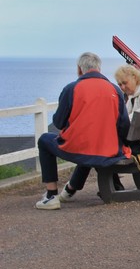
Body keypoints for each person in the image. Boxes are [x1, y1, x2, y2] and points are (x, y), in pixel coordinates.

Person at [34, 52, 131, 210]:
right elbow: (124, 125)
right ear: (99, 69)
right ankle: (70, 190)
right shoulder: (115, 90)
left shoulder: (71, 89)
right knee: (92, 145)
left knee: (44, 140)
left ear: (80, 69)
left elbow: (58, 122)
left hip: (81, 147)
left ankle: (51, 196)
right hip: (107, 149)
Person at [59, 64, 140, 201]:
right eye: (120, 84)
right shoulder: (134, 95)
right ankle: (112, 186)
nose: (122, 87)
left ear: (134, 77)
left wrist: (119, 120)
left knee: (96, 147)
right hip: (138, 140)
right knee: (97, 146)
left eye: (125, 83)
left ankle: (73, 187)